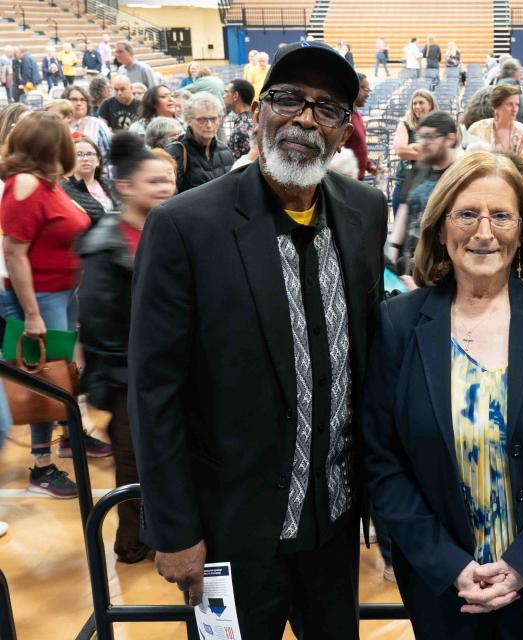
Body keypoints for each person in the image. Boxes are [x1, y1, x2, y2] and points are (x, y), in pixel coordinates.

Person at [130, 41, 387, 637]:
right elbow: (153, 389)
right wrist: (174, 529)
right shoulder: (185, 226)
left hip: (333, 523)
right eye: (288, 99)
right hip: (231, 532)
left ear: (344, 130)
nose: (304, 118)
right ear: (256, 112)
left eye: (327, 109)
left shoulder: (365, 212)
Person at [363, 149, 523, 638]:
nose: (483, 232)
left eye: (500, 215)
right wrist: (449, 564)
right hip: (444, 587)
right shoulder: (398, 323)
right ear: (440, 227)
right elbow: (382, 460)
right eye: (467, 214)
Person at [76, 132, 176, 564]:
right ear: (126, 187)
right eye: (153, 181)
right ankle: (132, 542)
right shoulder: (106, 243)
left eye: (168, 180)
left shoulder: (172, 228)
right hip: (127, 377)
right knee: (136, 464)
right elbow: (99, 323)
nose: (164, 189)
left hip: (170, 370)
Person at [0, 112, 111, 500]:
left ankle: (69, 436)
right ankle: (42, 465)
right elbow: (13, 253)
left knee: (61, 375)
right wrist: (31, 313)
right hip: (40, 297)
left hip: (61, 294)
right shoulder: (26, 183)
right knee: (43, 378)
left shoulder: (48, 183)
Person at [387, 110, 461, 274]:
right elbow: (406, 209)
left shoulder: (461, 175)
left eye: (430, 137)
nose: (424, 143)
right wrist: (393, 247)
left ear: (450, 139)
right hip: (412, 261)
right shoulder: (421, 167)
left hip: (443, 267)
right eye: (422, 137)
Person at [164, 92, 233, 193]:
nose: (209, 125)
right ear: (188, 120)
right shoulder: (176, 151)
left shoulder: (225, 150)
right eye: (202, 120)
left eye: (213, 119)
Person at [391, 89, 437, 214]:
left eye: (421, 103)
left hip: (430, 186)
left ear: (431, 105)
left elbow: (442, 153)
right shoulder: (405, 124)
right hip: (405, 185)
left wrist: (414, 147)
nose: (417, 106)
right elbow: (401, 150)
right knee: (401, 230)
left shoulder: (439, 125)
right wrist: (429, 155)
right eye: (414, 103)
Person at [61, 136, 117, 223]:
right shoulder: (62, 190)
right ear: (70, 160)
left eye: (90, 154)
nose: (85, 159)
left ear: (98, 160)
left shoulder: (110, 184)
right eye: (79, 154)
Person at [467, 84, 523, 158]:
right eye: (509, 104)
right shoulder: (477, 129)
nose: (515, 109)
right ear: (496, 106)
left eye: (517, 104)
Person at [343, 73, 376, 180]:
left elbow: (356, 147)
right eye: (366, 90)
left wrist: (369, 165)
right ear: (356, 88)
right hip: (345, 182)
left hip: (356, 181)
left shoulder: (356, 114)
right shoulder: (344, 115)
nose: (368, 94)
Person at [64, 86, 111, 157]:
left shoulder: (97, 124)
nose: (79, 103)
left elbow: (107, 154)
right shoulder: (60, 125)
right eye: (74, 99)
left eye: (82, 100)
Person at [223, 78, 255, 160]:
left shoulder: (242, 129)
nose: (223, 96)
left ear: (235, 96)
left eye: (226, 92)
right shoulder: (252, 119)